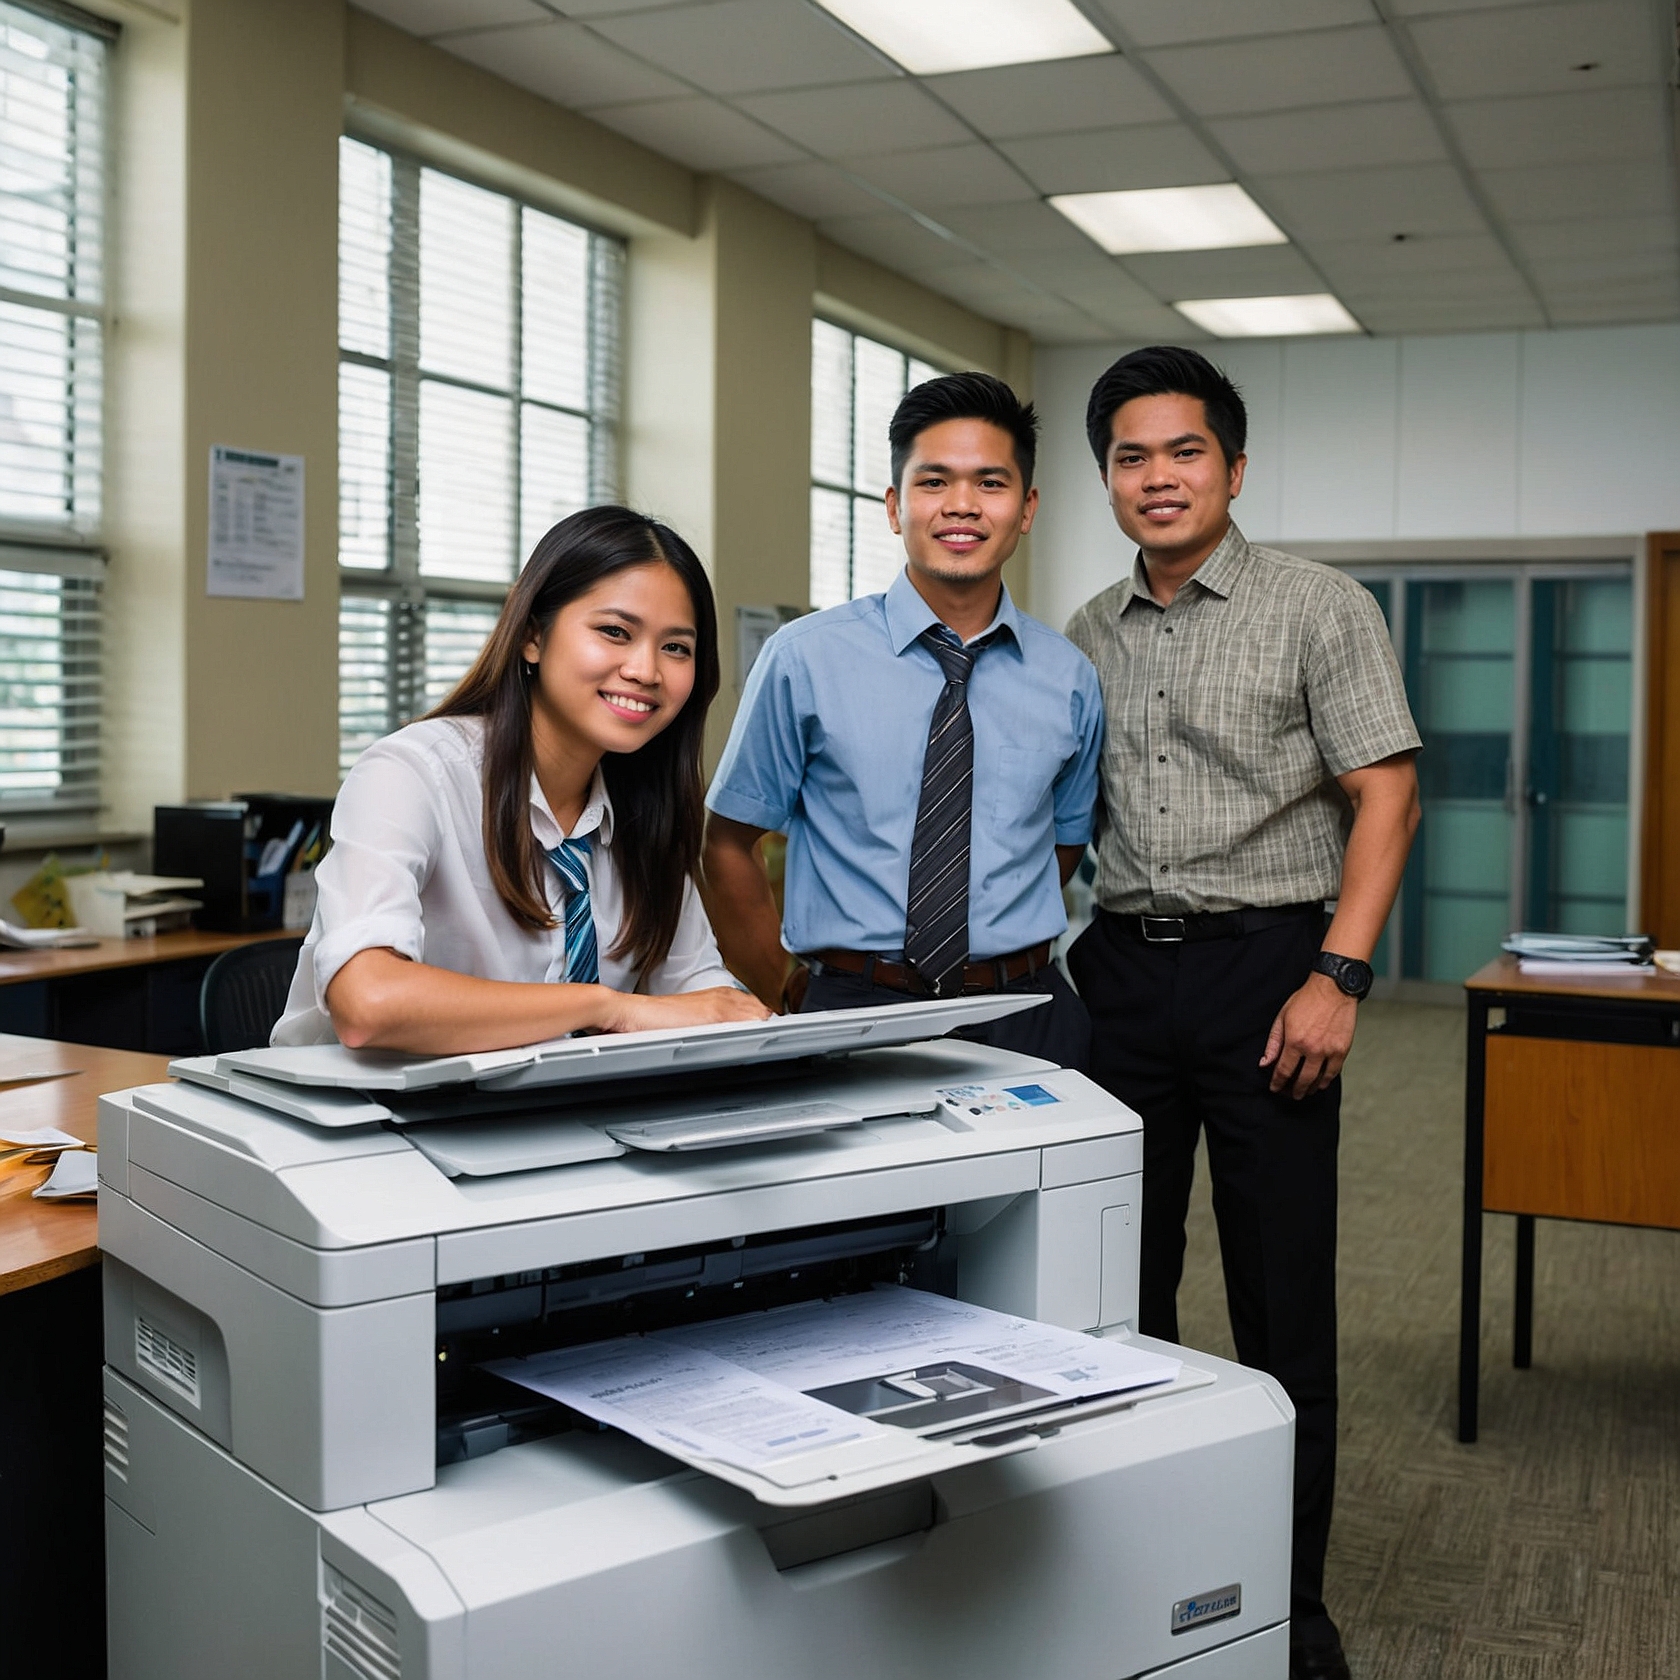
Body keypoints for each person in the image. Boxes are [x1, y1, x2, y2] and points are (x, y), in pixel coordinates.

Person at [1063, 346, 1421, 1680]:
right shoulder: (1087, 634)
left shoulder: (1317, 607)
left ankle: (1291, 1604)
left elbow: (1386, 795)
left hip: (1274, 971)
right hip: (1119, 978)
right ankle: (1150, 1576)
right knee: (1116, 1295)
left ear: (1234, 466)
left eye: (1185, 451)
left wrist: (1337, 976)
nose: (1159, 477)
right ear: (1106, 477)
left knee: (1281, 1307)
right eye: (1132, 456)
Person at [702, 371, 1102, 1067]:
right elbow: (729, 842)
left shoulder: (1069, 677)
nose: (962, 506)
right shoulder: (805, 659)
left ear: (1027, 507)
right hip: (850, 1009)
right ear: (894, 505)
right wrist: (780, 988)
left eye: (991, 483)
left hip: (1025, 1011)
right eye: (933, 482)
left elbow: (1059, 846)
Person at [273, 505, 770, 1052]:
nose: (646, 670)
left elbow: (699, 995)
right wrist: (609, 1006)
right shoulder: (413, 773)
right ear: (533, 634)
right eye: (614, 632)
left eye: (676, 647)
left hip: (542, 1122)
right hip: (364, 1120)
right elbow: (368, 1004)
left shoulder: (644, 811)